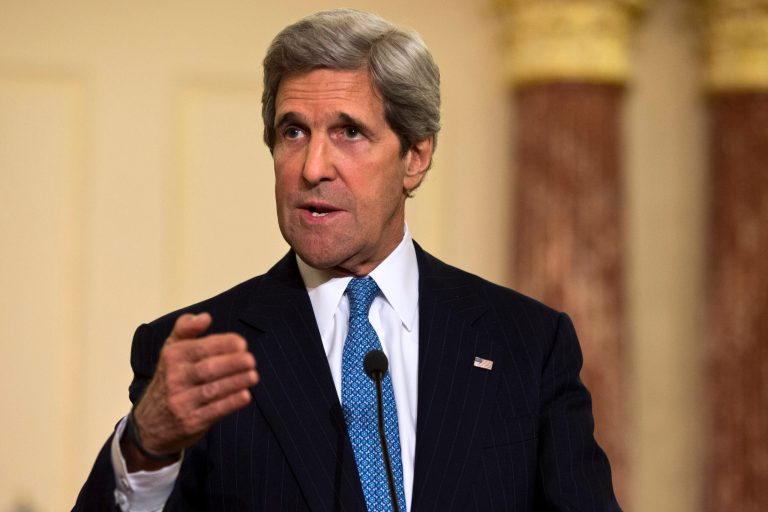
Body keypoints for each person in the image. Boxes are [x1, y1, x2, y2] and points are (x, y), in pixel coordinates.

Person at [74, 9, 621, 512]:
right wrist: (144, 447)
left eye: (349, 132)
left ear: (416, 157)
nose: (313, 167)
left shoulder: (526, 342)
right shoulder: (197, 354)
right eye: (293, 132)